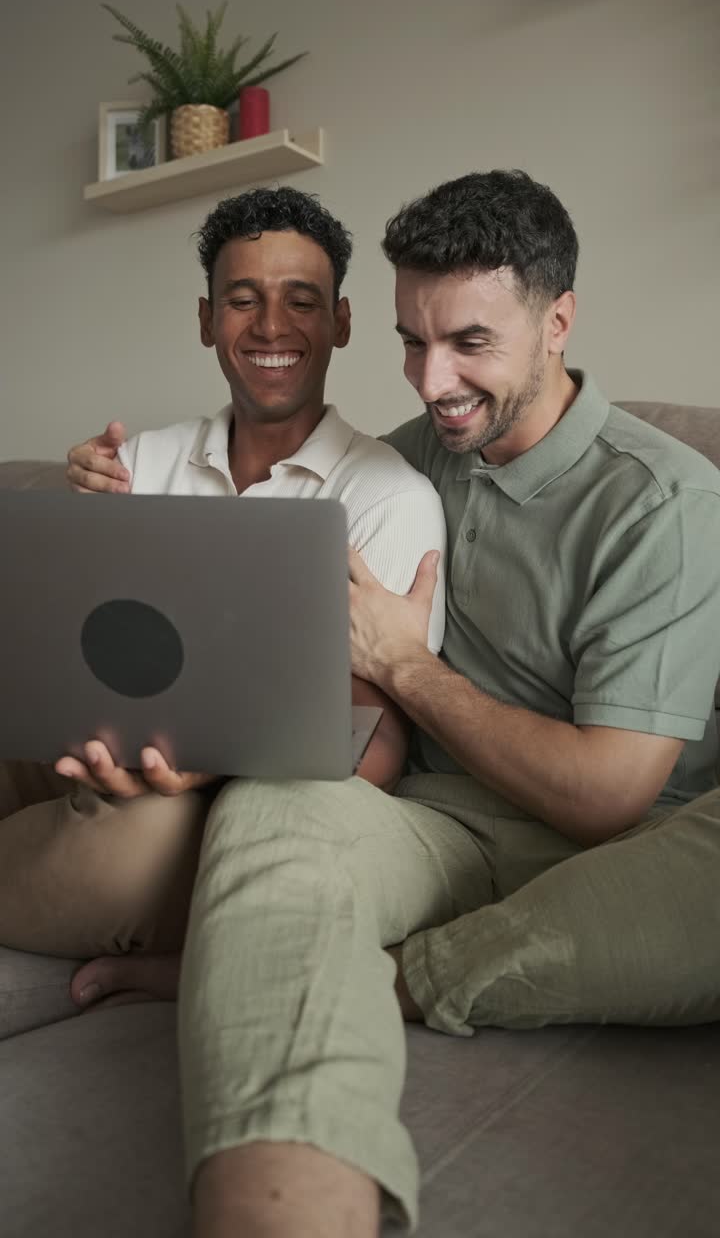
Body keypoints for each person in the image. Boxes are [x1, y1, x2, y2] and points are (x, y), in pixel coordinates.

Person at [66, 170, 720, 1238]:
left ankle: (382, 973)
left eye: (468, 341)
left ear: (559, 319)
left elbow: (607, 795)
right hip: (435, 817)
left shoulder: (666, 500)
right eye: (413, 343)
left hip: (635, 843)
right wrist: (105, 500)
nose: (431, 379)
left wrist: (411, 669)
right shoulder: (403, 464)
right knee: (276, 807)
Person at [0, 186, 447, 973]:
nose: (271, 326)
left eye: (300, 301)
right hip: (91, 738)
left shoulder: (388, 498)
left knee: (136, 847)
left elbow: (374, 754)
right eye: (242, 300)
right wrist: (75, 523)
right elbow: (68, 644)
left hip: (214, 801)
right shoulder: (140, 463)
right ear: (206, 320)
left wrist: (206, 764)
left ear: (340, 322)